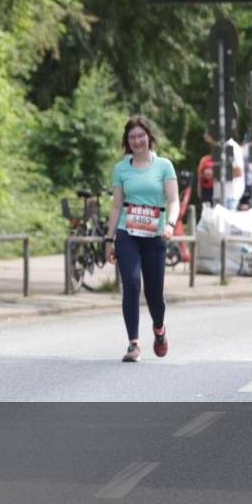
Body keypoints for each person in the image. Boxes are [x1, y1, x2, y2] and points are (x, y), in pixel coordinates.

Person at [105, 115, 180, 362]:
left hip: (155, 235)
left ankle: (159, 329)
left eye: (141, 136)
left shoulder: (164, 166)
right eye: (132, 137)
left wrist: (170, 224)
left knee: (154, 293)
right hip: (128, 234)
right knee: (132, 283)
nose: (137, 141)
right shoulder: (121, 169)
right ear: (127, 141)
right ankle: (133, 344)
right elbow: (117, 205)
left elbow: (173, 200)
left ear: (149, 137)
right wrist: (109, 239)